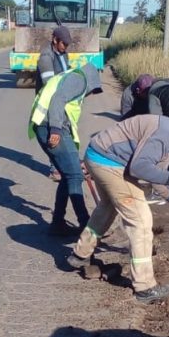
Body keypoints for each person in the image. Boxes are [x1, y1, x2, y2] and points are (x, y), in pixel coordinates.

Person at [67, 114, 169, 304]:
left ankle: (80, 254)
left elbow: (154, 174)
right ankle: (144, 287)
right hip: (110, 163)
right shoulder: (166, 135)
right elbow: (139, 167)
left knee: (108, 206)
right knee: (141, 222)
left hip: (98, 155)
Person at [28, 62, 103, 237]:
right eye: (93, 90)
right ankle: (86, 227)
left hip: (47, 126)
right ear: (92, 81)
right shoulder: (79, 80)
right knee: (75, 176)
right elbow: (57, 99)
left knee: (67, 175)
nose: (90, 94)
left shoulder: (71, 77)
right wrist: (55, 129)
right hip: (50, 127)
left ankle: (58, 224)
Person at [36, 26, 74, 181]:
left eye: (67, 44)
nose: (65, 47)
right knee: (54, 132)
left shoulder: (63, 54)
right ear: (55, 40)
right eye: (63, 43)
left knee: (65, 130)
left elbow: (67, 72)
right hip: (50, 100)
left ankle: (64, 164)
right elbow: (49, 85)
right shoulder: (46, 57)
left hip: (62, 98)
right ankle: (55, 168)